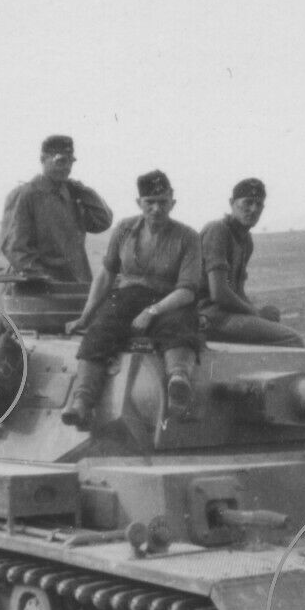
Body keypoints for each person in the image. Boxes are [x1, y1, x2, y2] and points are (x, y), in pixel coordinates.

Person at [62, 170, 204, 429]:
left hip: (170, 299)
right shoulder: (125, 229)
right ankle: (82, 401)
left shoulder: (188, 237)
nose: (157, 208)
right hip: (129, 295)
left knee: (179, 326)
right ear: (139, 202)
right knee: (102, 329)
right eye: (150, 202)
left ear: (173, 202)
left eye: (163, 202)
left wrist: (152, 311)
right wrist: (85, 316)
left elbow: (188, 290)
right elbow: (107, 274)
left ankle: (178, 381)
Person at [198, 178, 305, 347]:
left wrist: (258, 312)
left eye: (258, 204)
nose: (253, 209)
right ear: (232, 203)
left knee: (272, 321)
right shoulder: (217, 230)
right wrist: (256, 313)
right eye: (247, 203)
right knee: (292, 340)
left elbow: (237, 291)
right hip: (206, 317)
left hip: (223, 315)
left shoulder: (245, 240)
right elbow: (218, 293)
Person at [0, 134, 114, 283]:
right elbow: (15, 248)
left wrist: (84, 191)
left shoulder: (72, 194)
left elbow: (103, 222)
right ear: (43, 159)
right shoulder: (25, 195)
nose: (67, 167)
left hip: (75, 282)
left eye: (70, 162)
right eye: (60, 161)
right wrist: (42, 277)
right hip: (38, 288)